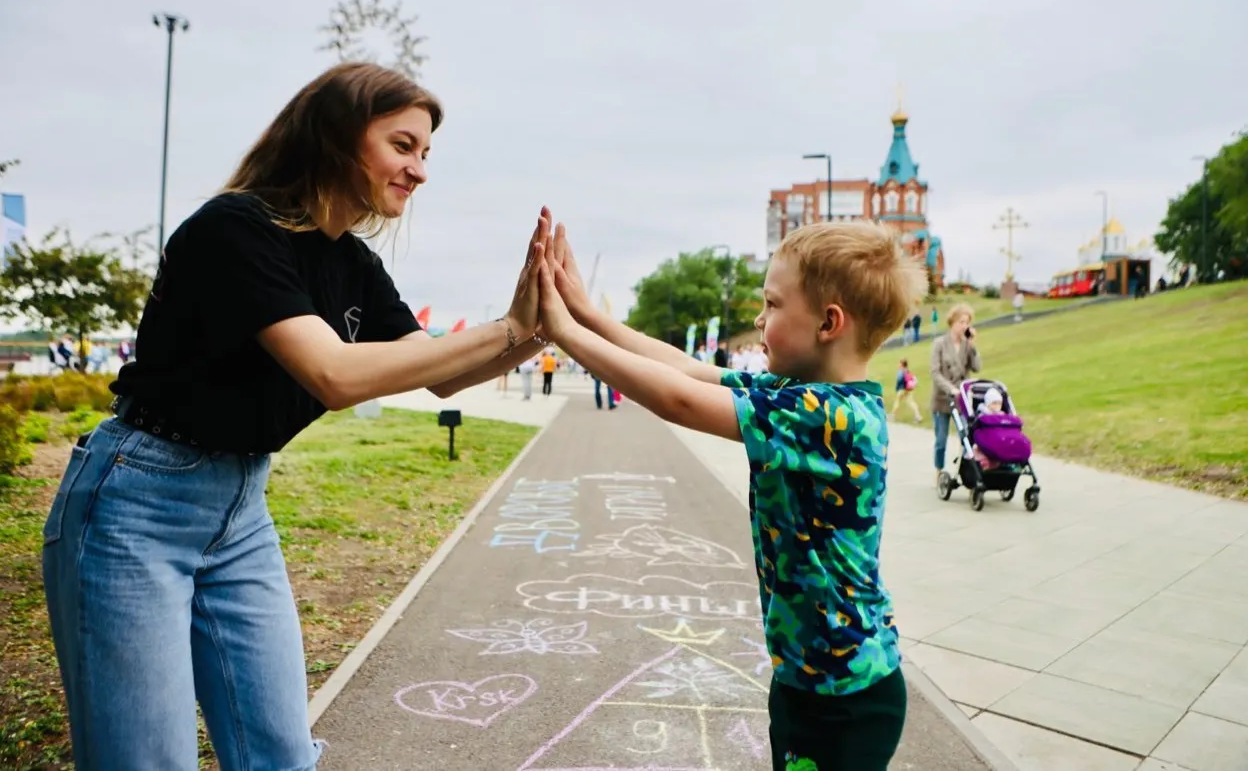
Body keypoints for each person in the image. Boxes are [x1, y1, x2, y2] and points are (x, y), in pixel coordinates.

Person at [40, 62, 552, 771]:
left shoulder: (352, 263)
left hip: (240, 509)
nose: (420, 170)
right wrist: (504, 327)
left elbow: (439, 375)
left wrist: (542, 329)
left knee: (279, 756)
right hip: (136, 503)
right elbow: (333, 374)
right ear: (338, 137)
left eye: (426, 153)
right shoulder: (236, 228)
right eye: (403, 146)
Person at [537, 219, 927, 771]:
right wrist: (585, 314)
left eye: (771, 304)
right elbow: (685, 369)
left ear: (828, 323)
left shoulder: (834, 417)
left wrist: (566, 334)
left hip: (845, 698)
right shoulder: (797, 395)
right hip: (804, 678)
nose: (758, 318)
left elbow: (680, 402)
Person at [930, 303, 982, 484]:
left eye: (967, 322)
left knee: (965, 438)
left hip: (962, 400)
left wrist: (973, 345)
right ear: (952, 322)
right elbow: (935, 372)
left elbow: (976, 367)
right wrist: (950, 389)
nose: (965, 326)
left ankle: (965, 471)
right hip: (942, 399)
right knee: (941, 440)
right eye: (961, 321)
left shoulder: (967, 346)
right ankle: (938, 471)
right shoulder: (939, 344)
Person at [889, 357, 923, 423]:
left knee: (897, 402)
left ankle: (892, 417)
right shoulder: (907, 371)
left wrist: (897, 388)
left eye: (899, 363)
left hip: (901, 389)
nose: (898, 365)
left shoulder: (900, 371)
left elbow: (899, 380)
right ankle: (918, 416)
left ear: (901, 364)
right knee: (911, 402)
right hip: (908, 389)